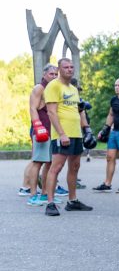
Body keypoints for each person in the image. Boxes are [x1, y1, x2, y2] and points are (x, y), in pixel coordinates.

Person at [42, 58, 94, 215]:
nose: (70, 69)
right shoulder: (53, 86)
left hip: (76, 134)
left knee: (75, 167)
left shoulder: (73, 88)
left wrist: (87, 130)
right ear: (59, 69)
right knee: (56, 168)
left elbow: (80, 110)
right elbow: (51, 112)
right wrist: (62, 134)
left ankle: (72, 201)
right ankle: (50, 203)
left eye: (72, 67)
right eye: (66, 67)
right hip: (62, 134)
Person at [25, 64, 58, 206]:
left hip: (53, 131)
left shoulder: (55, 89)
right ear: (44, 74)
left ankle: (45, 193)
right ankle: (33, 194)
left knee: (50, 164)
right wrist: (38, 127)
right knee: (37, 162)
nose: (54, 77)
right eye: (51, 74)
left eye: (56, 74)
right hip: (42, 130)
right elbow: (32, 108)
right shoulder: (39, 88)